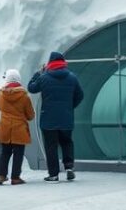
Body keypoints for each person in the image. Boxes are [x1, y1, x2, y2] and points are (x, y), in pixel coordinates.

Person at [28, 51, 84, 182]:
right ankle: (69, 167)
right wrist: (70, 107)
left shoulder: (44, 77)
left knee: (51, 146)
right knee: (67, 142)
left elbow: (31, 88)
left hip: (48, 119)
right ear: (63, 62)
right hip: (66, 118)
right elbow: (80, 95)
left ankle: (53, 174)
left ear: (50, 63)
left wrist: (38, 74)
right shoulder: (72, 77)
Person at [0, 69, 35, 185]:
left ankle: (1, 176)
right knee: (18, 154)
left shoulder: (1, 94)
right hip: (19, 128)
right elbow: (30, 114)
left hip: (5, 127)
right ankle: (15, 177)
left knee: (5, 153)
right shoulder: (24, 96)